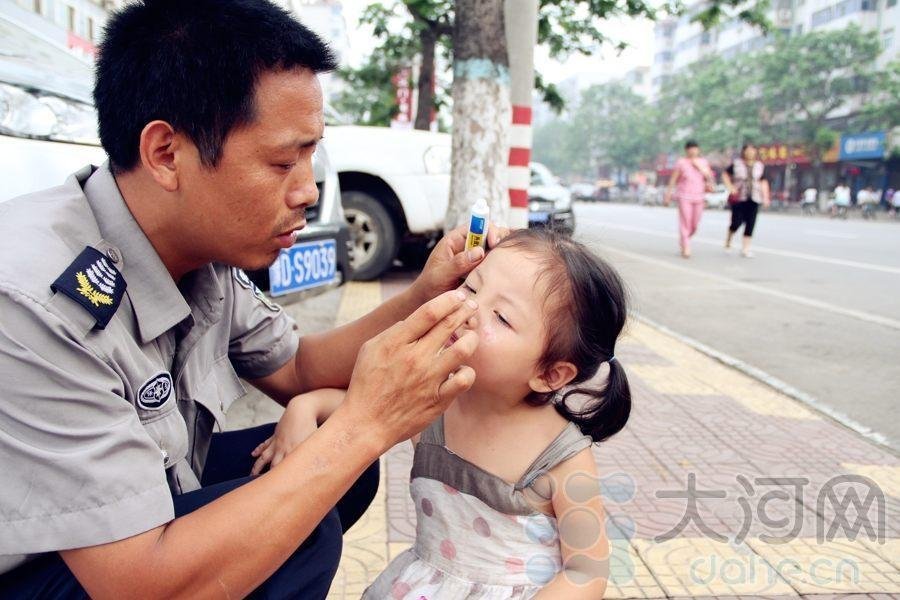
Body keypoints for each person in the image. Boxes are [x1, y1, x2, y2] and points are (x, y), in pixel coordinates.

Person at [0, 1, 506, 598]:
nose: (308, 191)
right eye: (282, 161)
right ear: (166, 154)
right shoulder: (36, 301)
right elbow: (135, 584)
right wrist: (370, 422)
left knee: (332, 467)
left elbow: (296, 368)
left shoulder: (197, 248)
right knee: (303, 526)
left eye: (312, 155)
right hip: (56, 569)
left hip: (125, 517)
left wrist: (426, 291)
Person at [254, 229, 632, 599]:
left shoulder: (561, 457)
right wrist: (304, 407)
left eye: (501, 317)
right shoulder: (433, 401)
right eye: (470, 287)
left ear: (549, 374)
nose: (466, 309)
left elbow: (587, 570)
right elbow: (358, 406)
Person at [664, 140, 715, 258]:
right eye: (690, 148)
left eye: (695, 148)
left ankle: (684, 239)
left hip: (699, 196)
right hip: (684, 196)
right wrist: (668, 194)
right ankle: (686, 246)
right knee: (685, 221)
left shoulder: (703, 162)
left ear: (698, 150)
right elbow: (673, 179)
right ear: (686, 150)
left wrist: (700, 167)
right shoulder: (681, 163)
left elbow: (709, 178)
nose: (693, 150)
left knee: (694, 224)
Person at [722, 143, 770, 258]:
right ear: (743, 152)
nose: (750, 152)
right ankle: (729, 239)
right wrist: (730, 187)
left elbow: (763, 181)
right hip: (739, 197)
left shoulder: (759, 166)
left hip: (754, 197)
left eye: (752, 150)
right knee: (736, 222)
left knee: (750, 222)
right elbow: (725, 175)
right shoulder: (736, 164)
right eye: (747, 150)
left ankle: (745, 248)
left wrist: (766, 197)